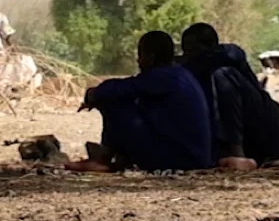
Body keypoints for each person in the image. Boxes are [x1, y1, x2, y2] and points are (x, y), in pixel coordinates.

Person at [68, 31, 213, 173]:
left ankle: (102, 160)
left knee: (115, 102)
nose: (138, 61)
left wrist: (93, 94)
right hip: (194, 156)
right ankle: (118, 156)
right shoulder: (179, 74)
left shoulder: (163, 77)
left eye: (140, 56)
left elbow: (114, 90)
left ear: (150, 57)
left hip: (180, 159)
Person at [181, 22, 279, 170]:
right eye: (185, 51)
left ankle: (236, 152)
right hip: (252, 146)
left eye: (192, 49)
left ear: (211, 45)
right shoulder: (190, 75)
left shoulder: (229, 54)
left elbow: (230, 54)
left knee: (224, 75)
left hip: (270, 132)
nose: (187, 55)